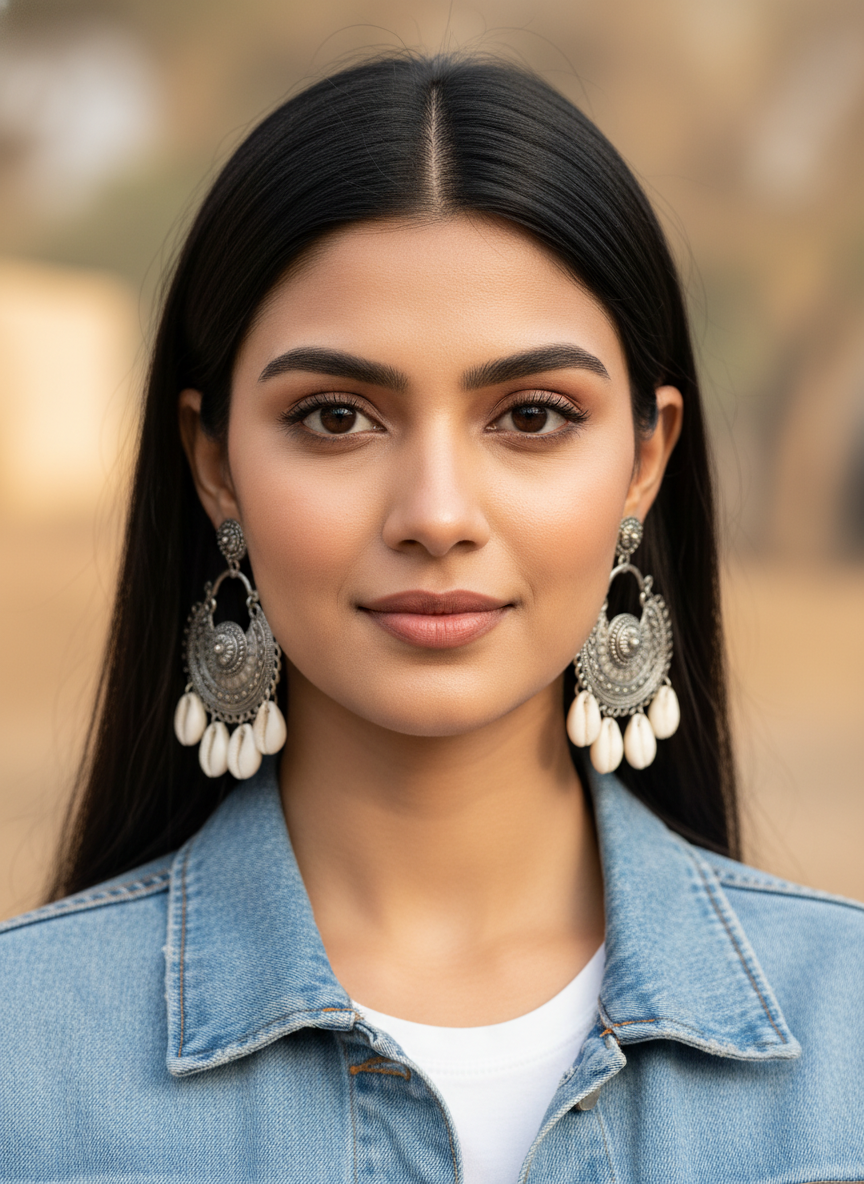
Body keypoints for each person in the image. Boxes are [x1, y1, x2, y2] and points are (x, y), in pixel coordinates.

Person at [1, 52, 862, 1184]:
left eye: (534, 415)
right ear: (215, 462)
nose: (438, 514)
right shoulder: (28, 1059)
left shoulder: (843, 1033)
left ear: (646, 459)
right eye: (339, 415)